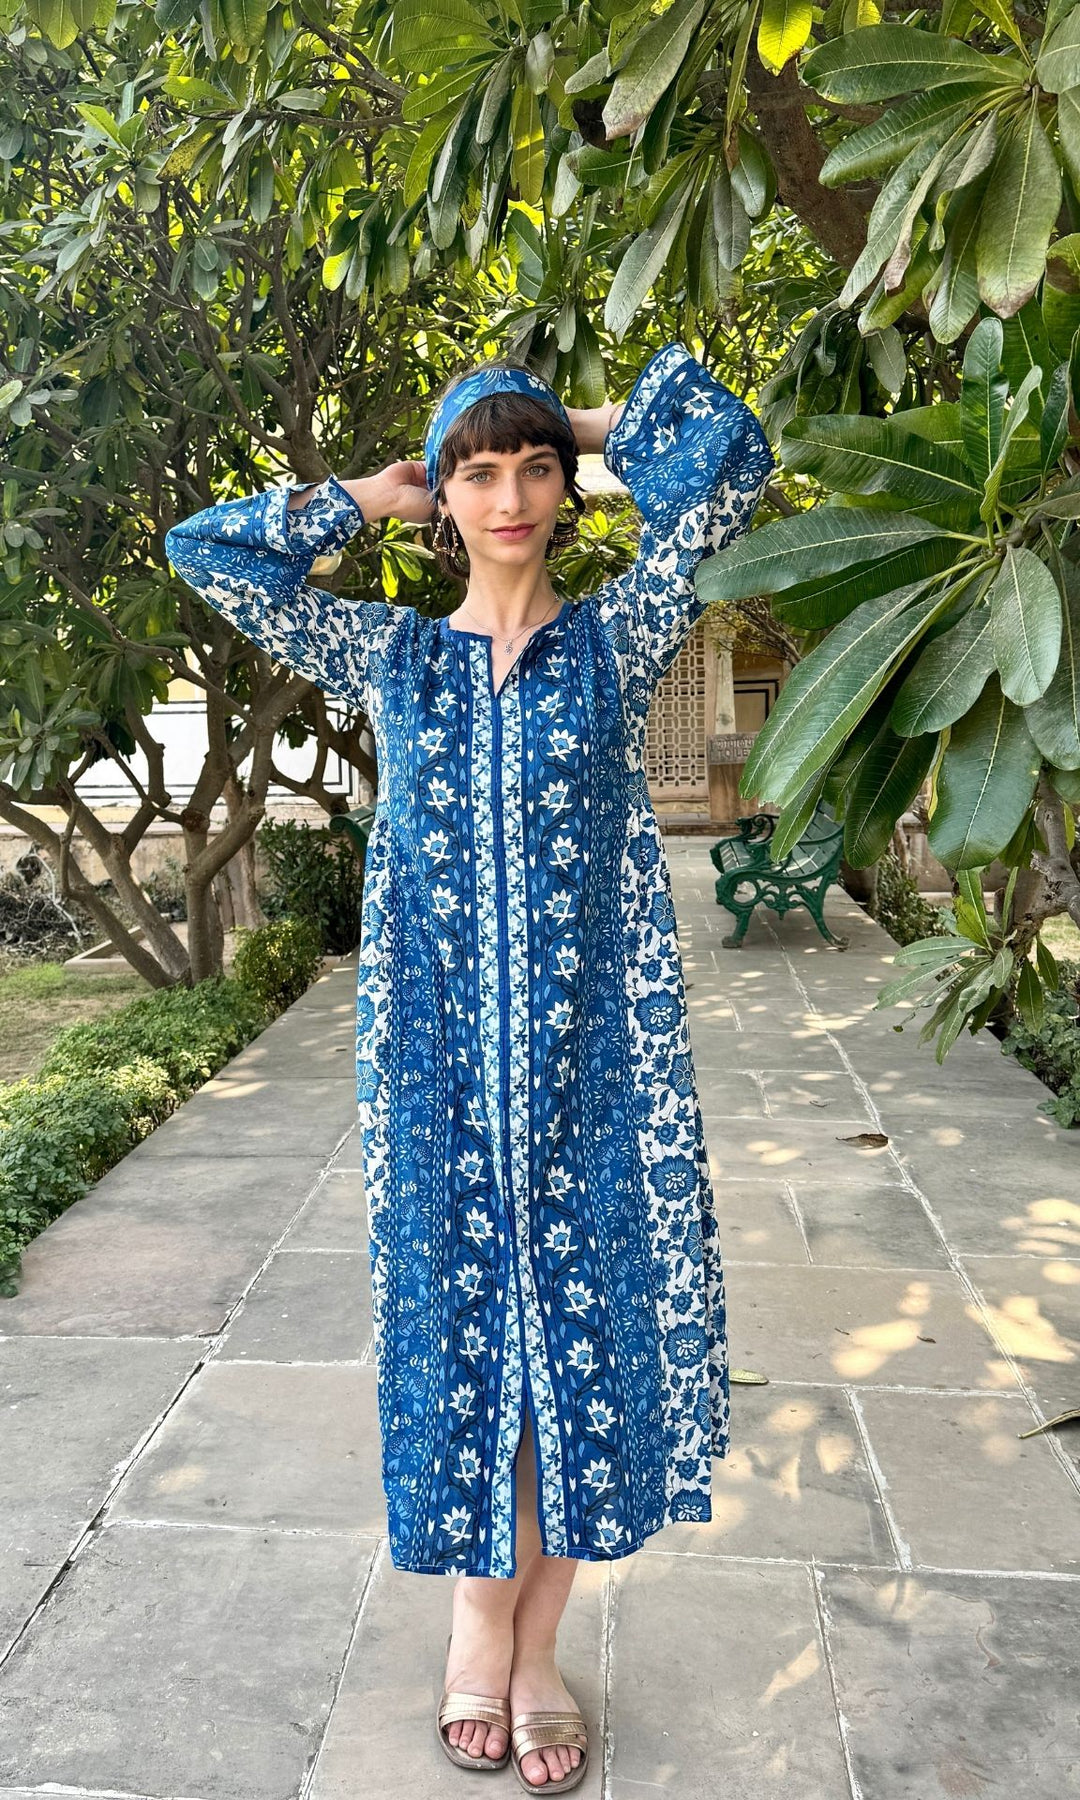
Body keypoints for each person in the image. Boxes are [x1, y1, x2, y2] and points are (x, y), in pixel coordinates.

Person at [165, 339, 773, 1793]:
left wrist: (583, 417)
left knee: (592, 1358)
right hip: (437, 1080)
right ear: (446, 497)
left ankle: (538, 1651)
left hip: (600, 1073)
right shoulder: (394, 658)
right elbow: (209, 552)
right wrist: (361, 499)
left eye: (535, 469)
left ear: (566, 487)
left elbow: (730, 464)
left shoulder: (621, 639)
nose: (510, 498)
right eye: (480, 473)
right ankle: (472, 1627)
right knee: (463, 1355)